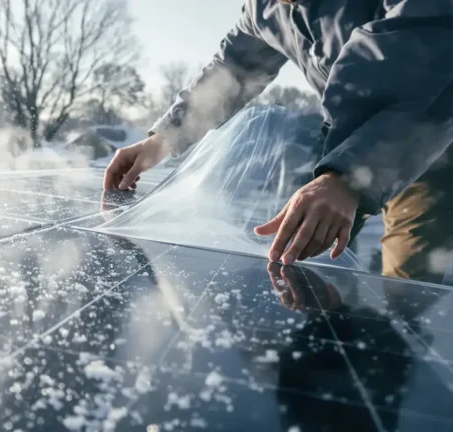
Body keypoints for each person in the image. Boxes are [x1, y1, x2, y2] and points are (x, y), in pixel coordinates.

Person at [104, 0, 453, 284]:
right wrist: (162, 138)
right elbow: (231, 71)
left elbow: (427, 56)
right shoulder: (266, 8)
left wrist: (348, 178)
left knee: (408, 290)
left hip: (432, 151)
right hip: (345, 156)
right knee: (308, 273)